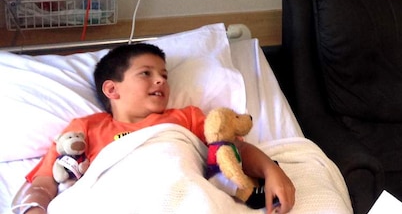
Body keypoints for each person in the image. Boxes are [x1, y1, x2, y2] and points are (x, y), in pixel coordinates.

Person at [12, 43, 296, 214]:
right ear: (112, 88)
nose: (160, 81)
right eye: (146, 73)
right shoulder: (86, 128)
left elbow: (232, 151)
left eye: (164, 75)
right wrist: (34, 208)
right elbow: (43, 181)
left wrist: (273, 171)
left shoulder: (186, 119)